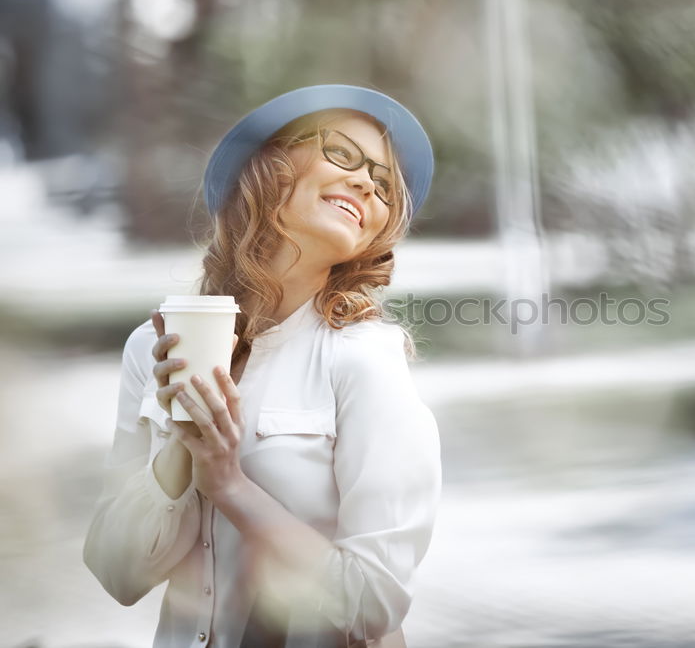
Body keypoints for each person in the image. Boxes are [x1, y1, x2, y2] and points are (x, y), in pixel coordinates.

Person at [83, 85, 442, 648]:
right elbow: (118, 575)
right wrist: (181, 446)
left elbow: (373, 604)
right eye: (344, 154)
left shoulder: (366, 359)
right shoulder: (150, 349)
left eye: (385, 184)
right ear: (269, 167)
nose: (367, 183)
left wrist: (229, 484)